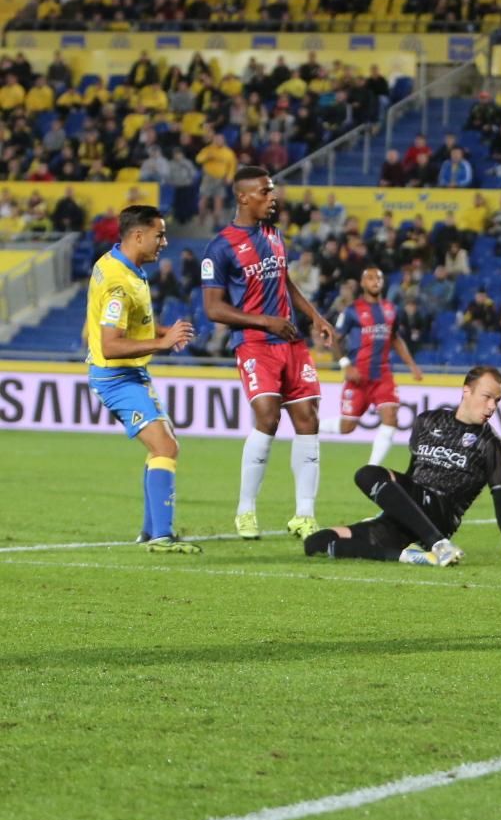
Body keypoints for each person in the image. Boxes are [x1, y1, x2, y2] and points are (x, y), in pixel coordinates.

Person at [202, 166, 336, 542]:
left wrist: (315, 316)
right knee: (268, 416)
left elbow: (284, 280)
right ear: (243, 197)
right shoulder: (220, 247)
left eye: (272, 190)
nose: (272, 197)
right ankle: (246, 510)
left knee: (308, 419)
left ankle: (305, 515)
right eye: (265, 191)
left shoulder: (274, 234)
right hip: (255, 344)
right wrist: (265, 321)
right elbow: (213, 308)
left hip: (290, 341)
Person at [303, 366, 501, 568]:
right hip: (409, 515)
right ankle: (412, 557)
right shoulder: (428, 421)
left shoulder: (490, 443)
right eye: (487, 397)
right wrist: (391, 507)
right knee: (316, 543)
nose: (492, 406)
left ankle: (438, 544)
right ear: (467, 391)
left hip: (440, 514)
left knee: (367, 473)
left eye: (497, 400)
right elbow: (413, 475)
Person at [84, 205, 198, 553]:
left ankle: (151, 532)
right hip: (116, 377)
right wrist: (161, 343)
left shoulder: (118, 265)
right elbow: (110, 344)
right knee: (165, 447)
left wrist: (162, 332)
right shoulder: (119, 284)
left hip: (130, 372)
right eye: (159, 235)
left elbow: (128, 324)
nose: (164, 242)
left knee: (162, 446)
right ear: (138, 235)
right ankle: (161, 536)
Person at [318, 267, 425, 466]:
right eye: (370, 278)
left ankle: (372, 468)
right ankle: (311, 426)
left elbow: (395, 338)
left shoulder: (391, 309)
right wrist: (345, 365)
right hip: (358, 375)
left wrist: (412, 365)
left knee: (391, 417)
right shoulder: (352, 310)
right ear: (362, 283)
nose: (375, 281)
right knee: (347, 426)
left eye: (379, 278)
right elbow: (333, 338)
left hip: (383, 375)